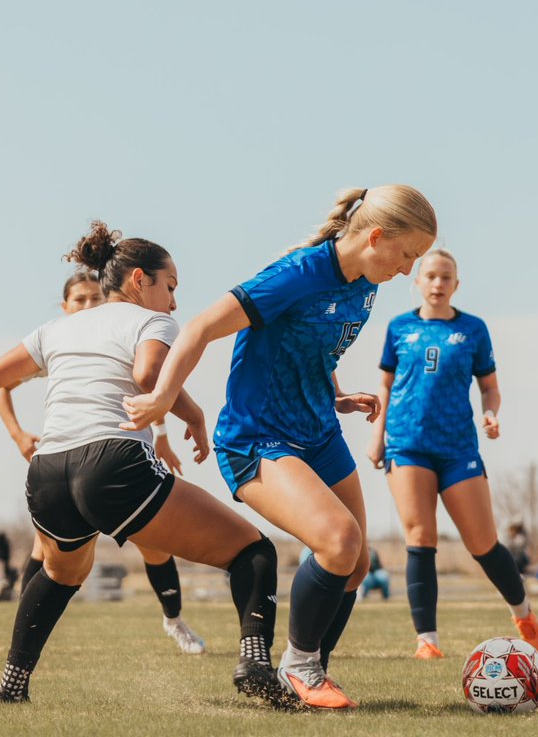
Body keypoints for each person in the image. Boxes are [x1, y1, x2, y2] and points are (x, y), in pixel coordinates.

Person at [0, 223, 280, 707]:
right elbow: (149, 374)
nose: (175, 302)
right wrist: (194, 414)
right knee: (252, 550)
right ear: (140, 279)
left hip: (47, 472)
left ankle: (11, 687)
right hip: (111, 461)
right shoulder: (151, 322)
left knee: (60, 574)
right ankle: (256, 663)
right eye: (171, 286)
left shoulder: (56, 329)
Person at [123, 185, 438, 709]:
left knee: (356, 563)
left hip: (318, 432)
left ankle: (313, 674)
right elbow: (199, 327)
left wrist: (336, 395)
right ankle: (299, 667)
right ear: (376, 237)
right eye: (407, 255)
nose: (408, 270)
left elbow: (312, 343)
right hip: (257, 436)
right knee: (338, 541)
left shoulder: (366, 281)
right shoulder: (296, 273)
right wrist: (161, 398)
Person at [0, 271, 205, 654]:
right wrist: (17, 434)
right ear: (65, 307)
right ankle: (25, 634)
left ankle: (174, 620)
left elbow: (147, 385)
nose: (89, 306)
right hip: (67, 463)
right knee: (46, 553)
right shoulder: (57, 342)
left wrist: (161, 438)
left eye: (95, 298)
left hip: (119, 457)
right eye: (80, 300)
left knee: (156, 548)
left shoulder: (118, 333)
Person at [367, 247, 538, 661]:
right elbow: (385, 388)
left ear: (456, 285)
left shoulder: (473, 330)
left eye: (446, 277)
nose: (437, 284)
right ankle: (426, 639)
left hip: (458, 447)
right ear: (416, 281)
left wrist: (490, 414)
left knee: (482, 542)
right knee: (420, 537)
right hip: (407, 444)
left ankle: (523, 613)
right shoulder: (399, 328)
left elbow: (490, 387)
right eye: (430, 276)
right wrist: (377, 436)